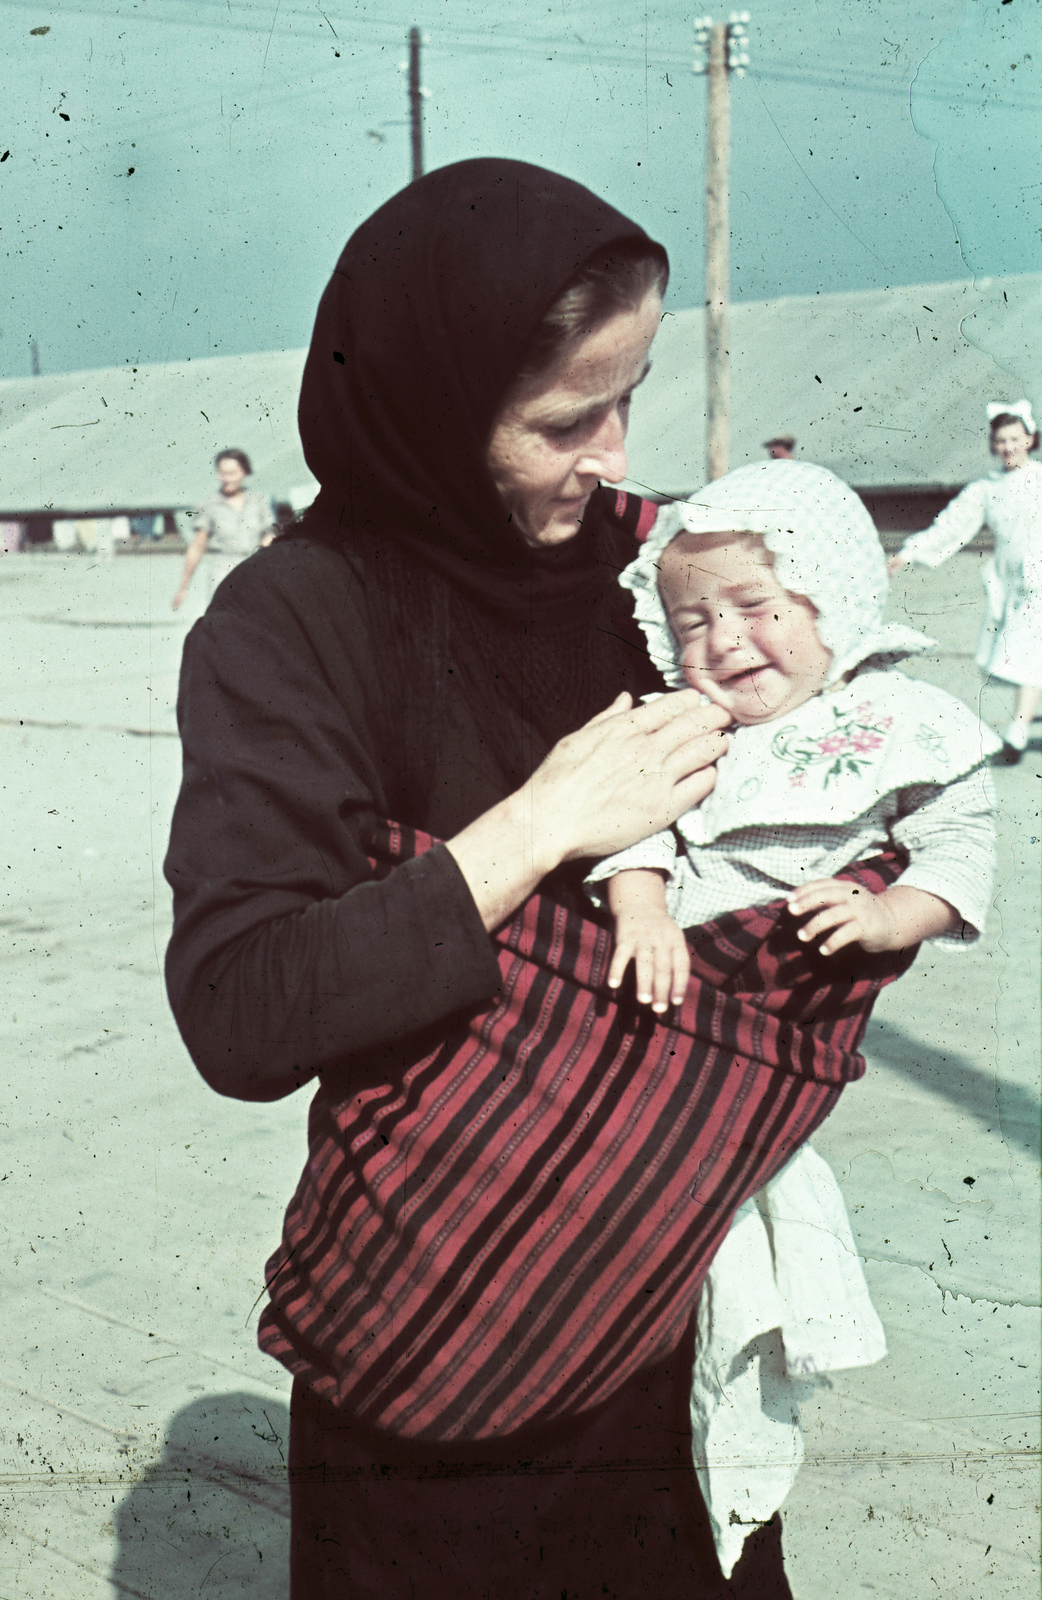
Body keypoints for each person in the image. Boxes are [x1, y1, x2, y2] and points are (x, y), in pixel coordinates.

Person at [165, 161, 909, 1599]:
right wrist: (547, 819)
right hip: (438, 1345)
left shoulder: (652, 584)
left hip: (658, 1318)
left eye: (629, 397)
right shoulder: (294, 623)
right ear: (435, 416)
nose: (612, 455)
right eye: (568, 418)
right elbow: (243, 1008)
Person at [585, 460, 997, 1010]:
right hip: (670, 959)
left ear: (834, 598)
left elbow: (960, 850)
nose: (725, 640)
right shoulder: (686, 720)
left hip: (794, 983)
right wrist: (642, 912)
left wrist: (888, 916)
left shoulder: (911, 720)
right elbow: (632, 825)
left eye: (754, 606)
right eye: (694, 625)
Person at [888, 401, 1042, 764]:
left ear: (1030, 440)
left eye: (1016, 439)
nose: (1008, 447)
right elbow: (953, 525)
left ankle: (1017, 734)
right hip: (1010, 579)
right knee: (1017, 652)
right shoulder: (986, 488)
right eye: (1001, 440)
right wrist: (910, 551)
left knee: (1028, 651)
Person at [171, 448, 277, 610]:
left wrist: (260, 559)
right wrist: (183, 588)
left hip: (256, 568)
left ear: (244, 472)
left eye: (232, 473)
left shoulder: (260, 501)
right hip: (223, 571)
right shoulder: (209, 504)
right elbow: (197, 546)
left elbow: (270, 533)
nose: (226, 479)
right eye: (222, 473)